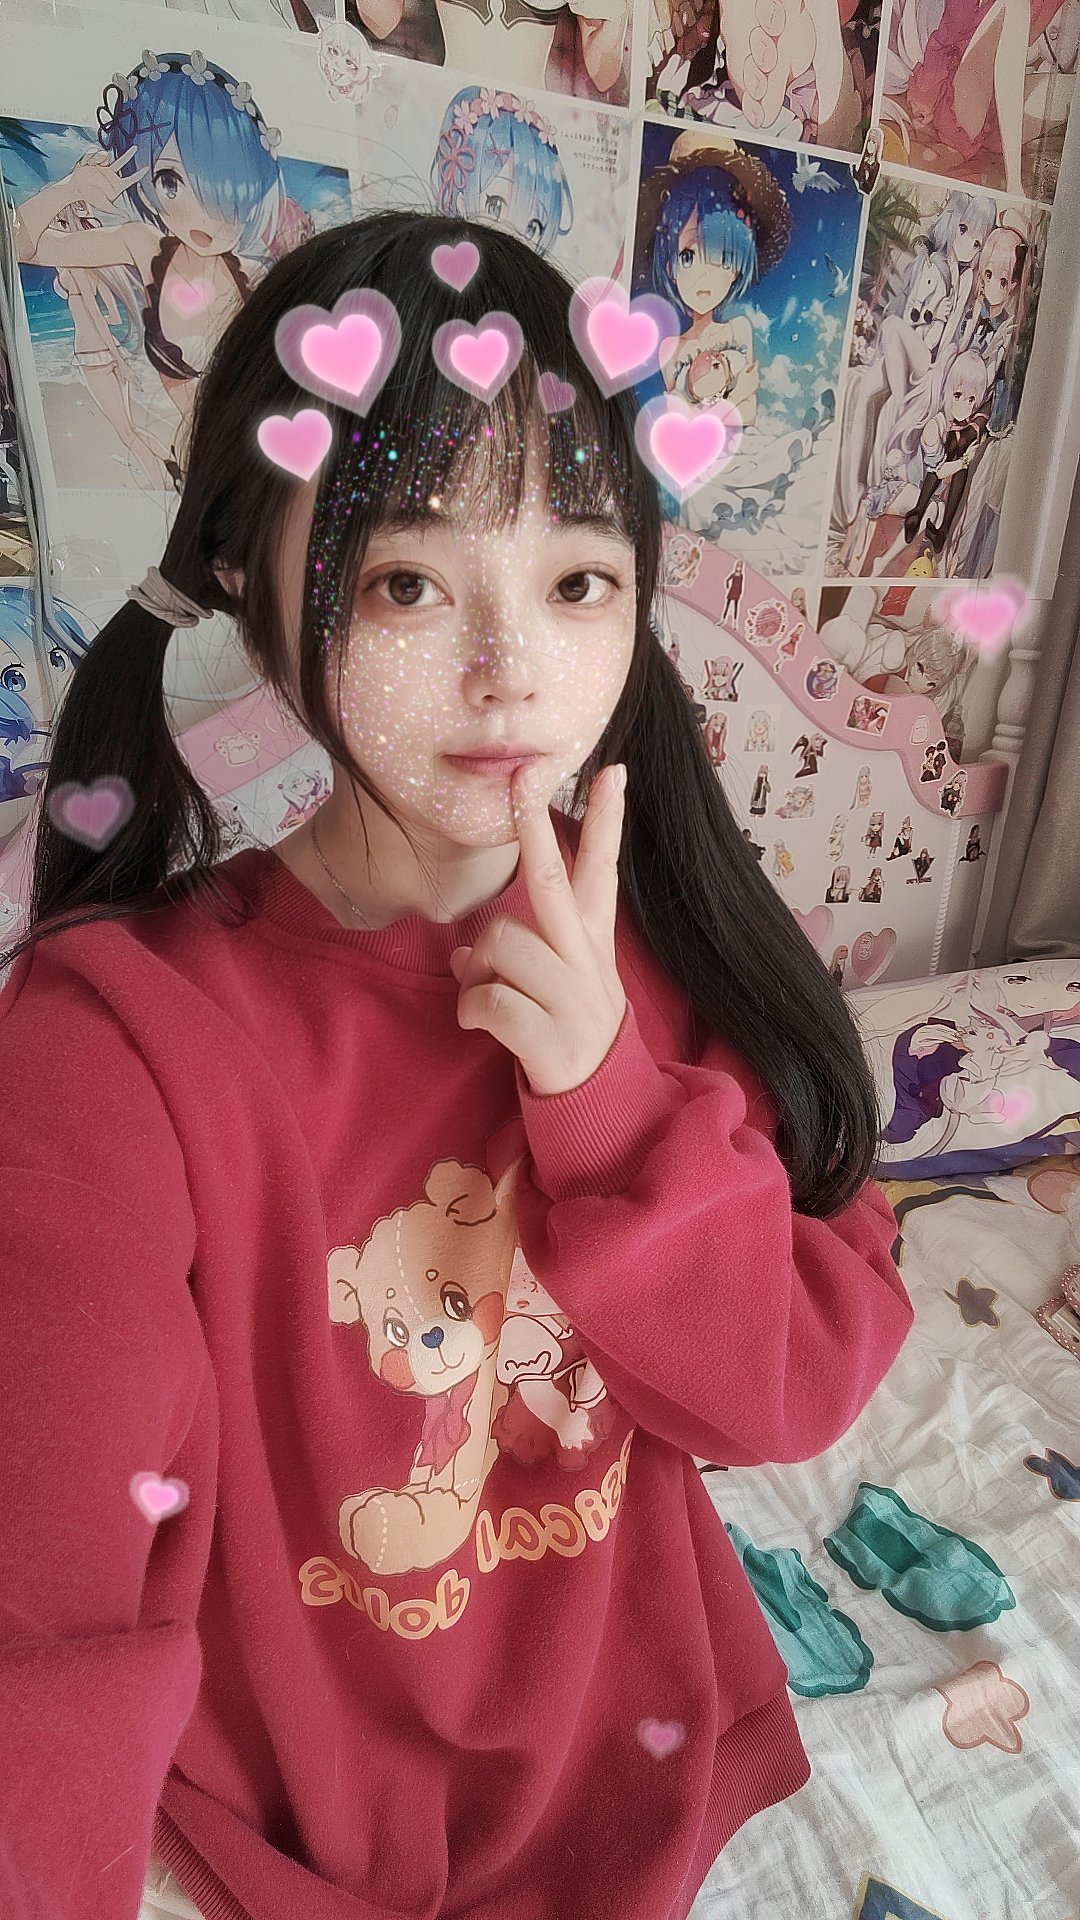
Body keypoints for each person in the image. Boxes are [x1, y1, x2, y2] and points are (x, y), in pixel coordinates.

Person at [0, 209, 912, 1920]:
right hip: (291, 1823)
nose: (513, 678)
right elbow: (38, 1610)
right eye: (408, 583)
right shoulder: (114, 1044)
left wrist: (615, 1112)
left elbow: (786, 1394)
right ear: (253, 594)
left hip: (642, 1759)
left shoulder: (680, 950)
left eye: (578, 582)